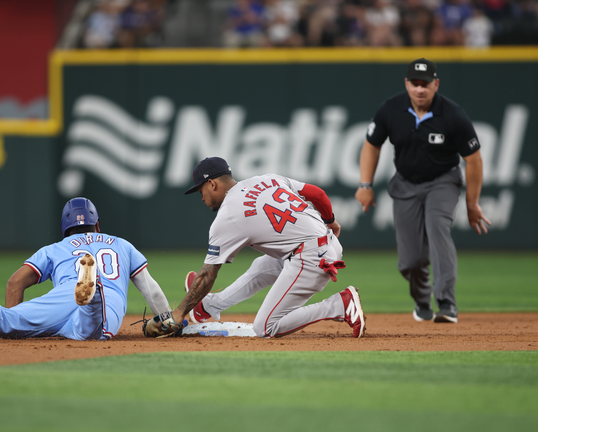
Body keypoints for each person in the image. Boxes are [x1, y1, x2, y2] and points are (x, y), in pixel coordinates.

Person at [148, 157, 366, 339]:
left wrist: (178, 313)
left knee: (266, 327)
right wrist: (331, 220)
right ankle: (208, 306)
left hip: (311, 259)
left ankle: (339, 305)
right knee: (261, 266)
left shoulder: (228, 216)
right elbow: (317, 194)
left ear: (212, 184)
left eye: (201, 191)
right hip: (326, 244)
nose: (202, 198)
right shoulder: (267, 179)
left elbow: (207, 275)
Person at [0, 197, 172, 341]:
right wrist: (167, 320)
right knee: (91, 332)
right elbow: (152, 291)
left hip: (62, 296)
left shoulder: (55, 248)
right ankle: (93, 292)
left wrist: (17, 326)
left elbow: (14, 283)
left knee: (5, 323)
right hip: (107, 298)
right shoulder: (121, 244)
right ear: (98, 225)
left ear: (65, 228)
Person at [355, 58, 490, 324]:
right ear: (406, 84)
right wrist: (365, 185)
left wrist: (472, 204)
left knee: (437, 228)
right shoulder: (391, 109)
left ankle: (446, 302)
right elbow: (372, 145)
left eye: (425, 84)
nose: (420, 89)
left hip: (443, 181)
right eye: (414, 84)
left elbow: (473, 159)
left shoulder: (452, 114)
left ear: (435, 84)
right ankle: (421, 299)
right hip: (405, 184)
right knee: (410, 260)